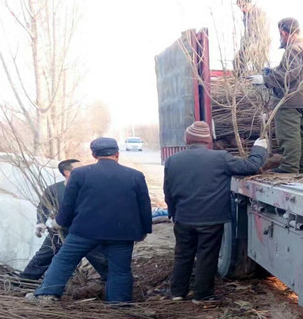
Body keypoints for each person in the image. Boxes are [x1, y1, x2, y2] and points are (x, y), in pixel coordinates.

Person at [26, 137, 152, 304]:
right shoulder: (135, 175)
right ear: (117, 153)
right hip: (122, 232)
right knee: (120, 270)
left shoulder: (79, 173)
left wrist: (59, 222)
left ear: (94, 155)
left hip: (84, 231)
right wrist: (144, 230)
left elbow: (69, 204)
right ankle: (119, 304)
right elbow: (144, 205)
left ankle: (47, 295)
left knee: (64, 260)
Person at [163, 121, 267, 303]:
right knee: (206, 256)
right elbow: (250, 167)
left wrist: (173, 213)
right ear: (208, 141)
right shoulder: (220, 158)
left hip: (183, 218)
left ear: (187, 140)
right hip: (210, 220)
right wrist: (259, 149)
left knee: (182, 255)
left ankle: (177, 293)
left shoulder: (173, 160)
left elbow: (168, 191)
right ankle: (202, 295)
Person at [249, 18, 303, 174]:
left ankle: (289, 167)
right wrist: (273, 72)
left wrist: (265, 79)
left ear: (283, 33)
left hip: (291, 101)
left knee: (289, 134)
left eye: (280, 35)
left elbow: (289, 75)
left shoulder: (293, 49)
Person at [19, 159, 108, 283]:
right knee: (44, 255)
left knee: (100, 258)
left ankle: (113, 281)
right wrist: (41, 222)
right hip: (60, 229)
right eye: (79, 168)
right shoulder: (54, 189)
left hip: (87, 231)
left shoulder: (91, 187)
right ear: (67, 172)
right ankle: (25, 281)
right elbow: (43, 207)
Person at [233, 0, 271, 76]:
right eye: (240, 6)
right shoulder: (246, 14)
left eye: (244, 6)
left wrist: (254, 45)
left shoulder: (258, 13)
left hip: (259, 42)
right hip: (249, 41)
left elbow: (260, 32)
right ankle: (240, 80)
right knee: (237, 61)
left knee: (258, 65)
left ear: (249, 3)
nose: (242, 8)